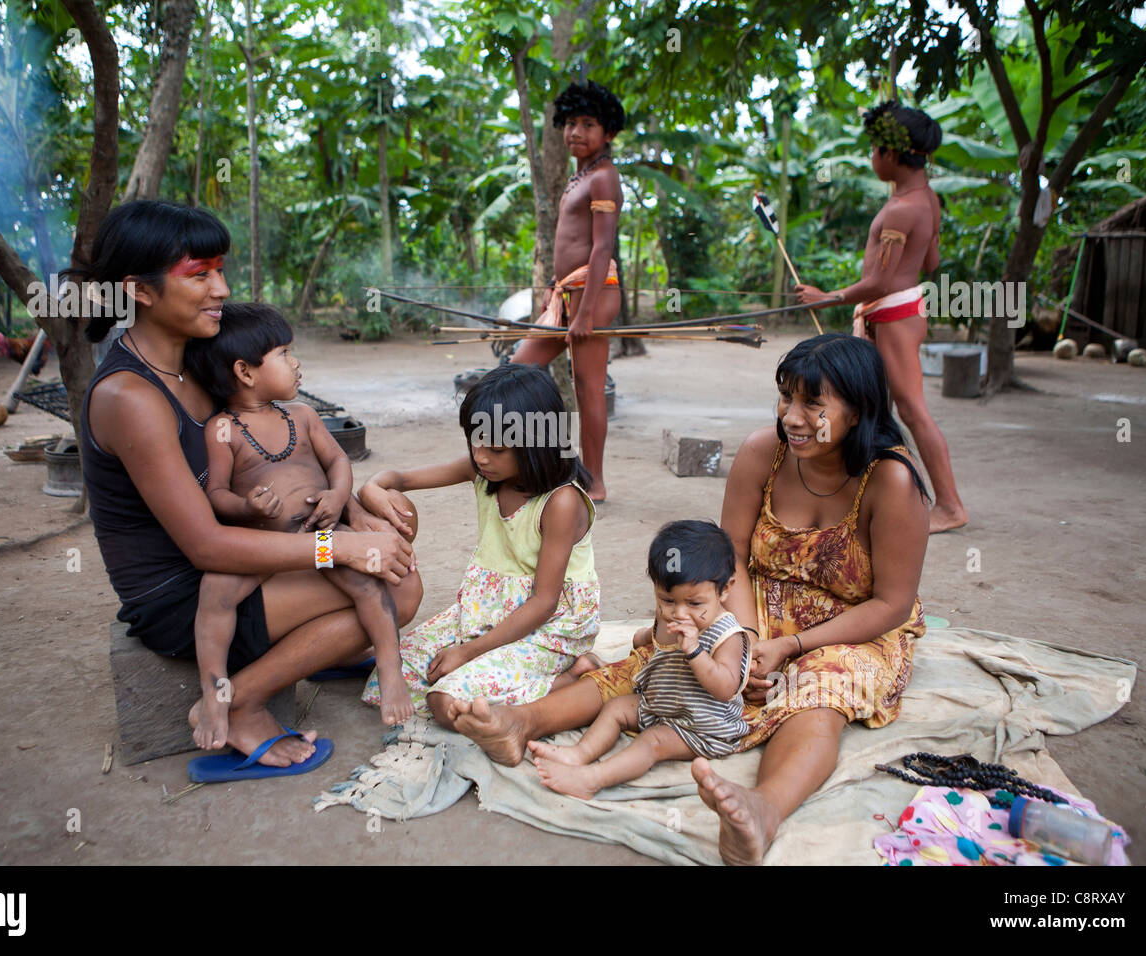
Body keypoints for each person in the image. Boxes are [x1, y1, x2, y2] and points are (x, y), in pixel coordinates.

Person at [452, 334, 930, 864]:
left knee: (819, 698)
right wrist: (743, 637)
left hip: (850, 626)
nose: (791, 417)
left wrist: (792, 646)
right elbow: (736, 559)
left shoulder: (891, 481)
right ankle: (522, 724)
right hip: (750, 602)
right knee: (654, 663)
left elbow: (890, 603)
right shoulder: (762, 454)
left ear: (860, 410)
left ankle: (762, 812)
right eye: (785, 397)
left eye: (812, 404)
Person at [76, 199, 419, 772]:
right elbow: (205, 546)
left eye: (221, 270)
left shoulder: (195, 363)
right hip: (187, 591)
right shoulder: (129, 398)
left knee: (395, 529)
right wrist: (340, 547)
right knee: (401, 590)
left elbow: (291, 459)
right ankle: (241, 703)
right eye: (200, 274)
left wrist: (354, 512)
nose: (220, 288)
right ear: (139, 290)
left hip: (246, 553)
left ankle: (322, 642)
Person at [181, 302, 415, 746]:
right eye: (285, 353)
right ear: (246, 373)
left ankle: (389, 665)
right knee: (215, 592)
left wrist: (337, 494)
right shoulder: (222, 430)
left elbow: (338, 461)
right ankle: (215, 693)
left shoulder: (303, 417)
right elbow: (216, 496)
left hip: (319, 536)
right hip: (261, 547)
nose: (296, 362)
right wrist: (246, 507)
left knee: (368, 582)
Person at [357, 363, 599, 727]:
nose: (482, 456)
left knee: (446, 701)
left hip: (546, 629)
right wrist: (373, 488)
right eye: (475, 441)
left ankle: (571, 678)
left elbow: (544, 602)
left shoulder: (561, 503)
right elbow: (399, 478)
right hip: (484, 614)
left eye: (497, 449)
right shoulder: (482, 469)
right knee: (395, 673)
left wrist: (467, 652)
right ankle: (506, 679)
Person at [793, 101, 967, 533]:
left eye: (874, 148)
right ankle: (869, 496)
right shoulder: (927, 200)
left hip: (892, 315)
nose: (871, 157)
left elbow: (878, 281)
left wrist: (826, 297)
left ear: (890, 154)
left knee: (911, 408)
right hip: (904, 310)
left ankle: (948, 506)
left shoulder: (901, 209)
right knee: (872, 405)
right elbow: (930, 260)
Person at [530, 520, 752, 800]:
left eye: (694, 604)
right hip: (661, 705)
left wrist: (696, 652)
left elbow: (726, 687)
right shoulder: (669, 615)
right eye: (667, 600)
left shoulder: (726, 634)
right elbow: (655, 637)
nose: (679, 613)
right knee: (616, 708)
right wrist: (644, 637)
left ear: (725, 589)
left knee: (653, 741)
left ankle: (592, 779)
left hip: (703, 726)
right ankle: (579, 754)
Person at [510, 79, 624, 503]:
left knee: (588, 387)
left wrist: (585, 312)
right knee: (520, 371)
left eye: (588, 124)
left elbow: (600, 247)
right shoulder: (582, 176)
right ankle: (541, 463)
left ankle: (594, 481)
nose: (576, 131)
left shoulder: (605, 178)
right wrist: (554, 294)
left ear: (608, 133)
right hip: (569, 295)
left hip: (592, 296)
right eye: (570, 122)